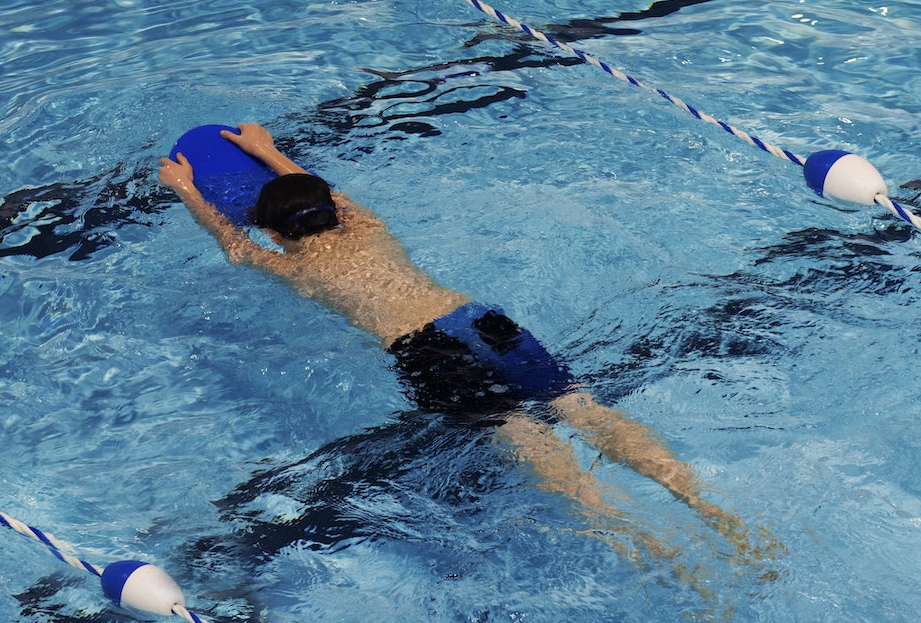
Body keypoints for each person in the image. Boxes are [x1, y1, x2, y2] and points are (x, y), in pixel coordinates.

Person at [159, 122, 770, 566]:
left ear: (273, 232)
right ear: (335, 213)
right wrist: (268, 152)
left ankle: (649, 546)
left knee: (525, 437)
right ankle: (710, 509)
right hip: (481, 320)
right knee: (584, 411)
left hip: (426, 351)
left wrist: (188, 190)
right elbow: (326, 194)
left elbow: (236, 249)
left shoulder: (296, 269)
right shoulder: (371, 229)